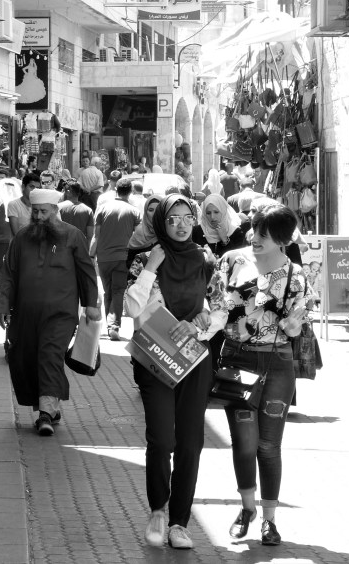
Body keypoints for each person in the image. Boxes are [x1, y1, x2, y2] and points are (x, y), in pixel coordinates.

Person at [124, 194, 226, 550]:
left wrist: (199, 326)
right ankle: (157, 510)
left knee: (190, 442)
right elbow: (132, 306)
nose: (181, 225)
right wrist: (152, 266)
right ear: (160, 223)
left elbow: (220, 308)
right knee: (161, 440)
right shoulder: (144, 259)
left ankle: (179, 522)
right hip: (155, 359)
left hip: (193, 359)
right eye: (172, 219)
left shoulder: (205, 259)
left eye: (186, 217)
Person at [210, 204, 309, 547]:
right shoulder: (231, 261)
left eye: (265, 234)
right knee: (243, 442)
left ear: (282, 239)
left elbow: (296, 326)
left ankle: (269, 520)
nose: (255, 237)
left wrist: (293, 326)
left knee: (269, 446)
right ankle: (247, 508)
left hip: (277, 363)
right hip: (236, 359)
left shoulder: (296, 274)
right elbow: (214, 307)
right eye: (254, 229)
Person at [0, 188, 100, 436]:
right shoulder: (22, 237)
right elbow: (8, 274)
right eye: (35, 212)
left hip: (61, 314)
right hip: (25, 314)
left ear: (55, 210)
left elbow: (87, 272)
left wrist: (91, 305)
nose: (39, 217)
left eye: (43, 212)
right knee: (28, 358)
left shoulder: (73, 236)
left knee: (49, 355)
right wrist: (2, 307)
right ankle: (50, 405)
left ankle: (45, 414)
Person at [91, 177, 141, 341]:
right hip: (123, 257)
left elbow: (96, 236)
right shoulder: (134, 211)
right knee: (118, 290)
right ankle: (113, 326)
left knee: (108, 292)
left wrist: (91, 255)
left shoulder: (102, 208)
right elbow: (138, 237)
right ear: (130, 192)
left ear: (115, 190)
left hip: (104, 257)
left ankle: (110, 325)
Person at [126, 194, 163, 267]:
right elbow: (129, 261)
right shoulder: (140, 232)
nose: (154, 213)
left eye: (158, 210)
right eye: (151, 210)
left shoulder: (169, 231)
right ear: (146, 212)